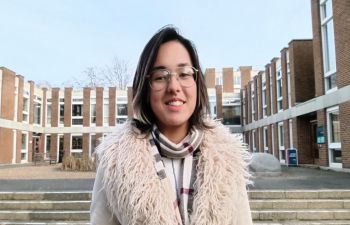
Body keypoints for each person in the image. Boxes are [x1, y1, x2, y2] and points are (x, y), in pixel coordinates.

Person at [90, 25, 253, 225]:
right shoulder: (115, 163)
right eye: (160, 77)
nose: (174, 87)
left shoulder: (228, 161)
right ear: (145, 88)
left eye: (184, 74)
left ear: (197, 83)